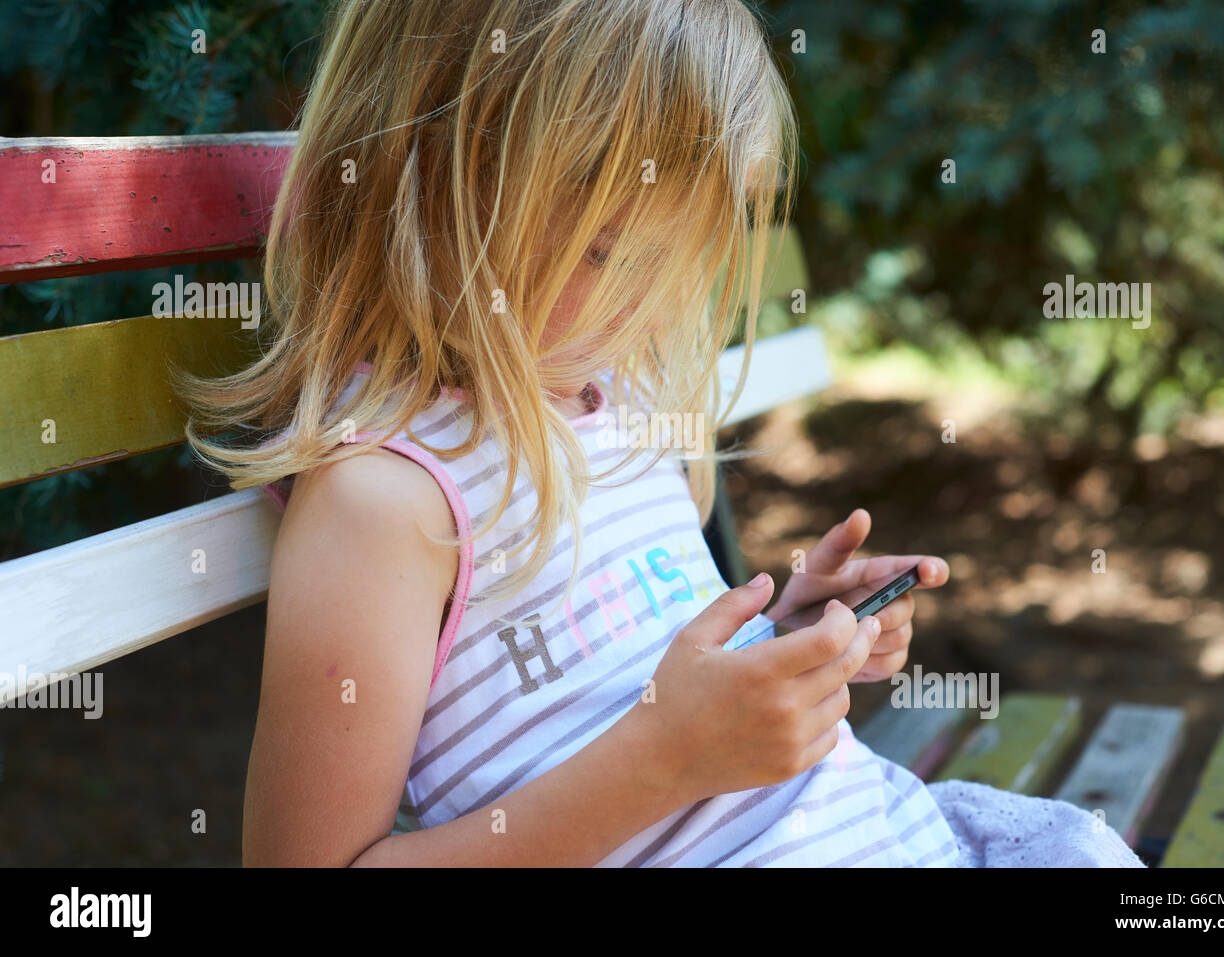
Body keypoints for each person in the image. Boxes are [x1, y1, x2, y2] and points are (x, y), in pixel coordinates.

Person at [181, 0, 1143, 867]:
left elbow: (632, 677)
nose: (650, 307)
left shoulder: (628, 404)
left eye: (675, 257)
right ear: (437, 176)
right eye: (612, 252)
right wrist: (660, 762)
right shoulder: (387, 501)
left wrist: (787, 641)